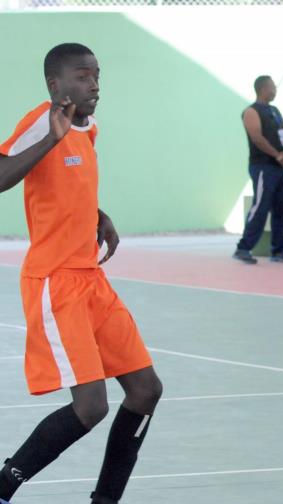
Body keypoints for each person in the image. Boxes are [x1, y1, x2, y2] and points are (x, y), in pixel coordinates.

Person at [0, 43, 164, 504]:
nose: (93, 84)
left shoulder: (87, 127)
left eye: (96, 75)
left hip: (91, 279)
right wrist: (49, 139)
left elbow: (67, 181)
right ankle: (3, 486)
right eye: (81, 76)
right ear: (55, 85)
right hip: (55, 280)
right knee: (91, 406)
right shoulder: (42, 121)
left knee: (146, 390)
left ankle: (105, 500)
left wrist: (97, 213)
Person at [233, 75, 283, 264]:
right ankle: (243, 248)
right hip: (262, 166)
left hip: (279, 168)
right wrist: (277, 155)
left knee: (282, 207)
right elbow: (257, 138)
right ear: (263, 89)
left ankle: (278, 250)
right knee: (260, 206)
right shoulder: (251, 111)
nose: (275, 90)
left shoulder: (274, 111)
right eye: (272, 87)